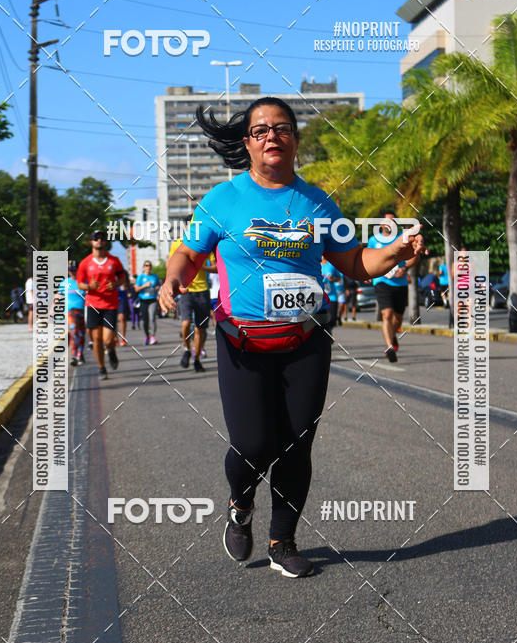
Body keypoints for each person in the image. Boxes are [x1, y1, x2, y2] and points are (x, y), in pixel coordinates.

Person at [159, 97, 426, 578]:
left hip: (306, 339)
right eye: (260, 130)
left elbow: (355, 264)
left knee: (297, 442)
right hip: (243, 342)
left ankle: (284, 541)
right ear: (247, 144)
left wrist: (397, 250)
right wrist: (172, 278)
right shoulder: (223, 199)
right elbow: (188, 252)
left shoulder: (319, 202)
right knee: (253, 444)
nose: (271, 136)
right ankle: (241, 504)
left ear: (295, 140)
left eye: (281, 128)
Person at [367, 211, 421, 363]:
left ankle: (393, 336)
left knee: (397, 318)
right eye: (386, 221)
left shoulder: (401, 239)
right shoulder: (373, 240)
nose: (389, 223)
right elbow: (369, 259)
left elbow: (415, 257)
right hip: (381, 282)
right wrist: (368, 274)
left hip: (400, 283)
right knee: (387, 315)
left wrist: (405, 268)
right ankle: (390, 347)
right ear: (380, 224)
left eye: (392, 221)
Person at [76, 230, 125, 380]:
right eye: (96, 238)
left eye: (102, 238)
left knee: (108, 339)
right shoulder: (85, 262)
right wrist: (89, 286)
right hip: (92, 304)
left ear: (105, 242)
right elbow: (80, 284)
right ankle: (101, 367)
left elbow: (123, 278)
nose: (99, 241)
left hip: (110, 304)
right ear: (91, 242)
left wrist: (115, 284)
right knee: (96, 339)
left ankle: (111, 351)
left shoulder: (114, 260)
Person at [168, 237, 216, 372]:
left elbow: (216, 267)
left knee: (200, 329)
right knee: (185, 323)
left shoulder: (206, 243)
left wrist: (203, 267)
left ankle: (197, 359)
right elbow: (169, 265)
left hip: (202, 291)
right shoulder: (177, 244)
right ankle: (187, 349)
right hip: (186, 290)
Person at [58, 260, 86, 365]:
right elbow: (58, 296)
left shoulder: (83, 282)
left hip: (82, 310)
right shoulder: (64, 282)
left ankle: (80, 354)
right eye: (70, 270)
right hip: (69, 311)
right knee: (74, 332)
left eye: (74, 270)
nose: (72, 272)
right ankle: (74, 356)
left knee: (81, 334)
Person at [134, 260, 161, 345]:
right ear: (143, 267)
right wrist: (145, 286)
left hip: (152, 299)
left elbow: (158, 285)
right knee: (145, 320)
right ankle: (147, 336)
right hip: (143, 300)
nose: (148, 267)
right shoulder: (140, 277)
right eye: (146, 265)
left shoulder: (155, 276)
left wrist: (157, 288)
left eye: (149, 265)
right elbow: (136, 289)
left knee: (152, 318)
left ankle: (153, 336)